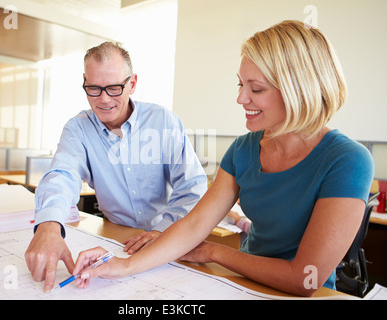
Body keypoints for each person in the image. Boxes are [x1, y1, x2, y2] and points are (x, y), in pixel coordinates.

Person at [72, 20, 374, 297]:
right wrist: (123, 265)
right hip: (242, 282)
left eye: (256, 88)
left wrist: (213, 252)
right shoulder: (243, 149)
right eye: (240, 84)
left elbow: (305, 279)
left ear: (299, 90)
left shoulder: (348, 160)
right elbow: (194, 226)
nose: (241, 98)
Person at [25, 42, 207, 293]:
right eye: (93, 88)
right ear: (84, 82)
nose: (103, 99)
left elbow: (192, 187)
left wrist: (162, 231)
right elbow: (62, 175)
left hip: (170, 237)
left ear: (132, 83)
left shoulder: (163, 121)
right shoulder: (78, 129)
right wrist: (49, 224)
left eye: (113, 88)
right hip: (117, 240)